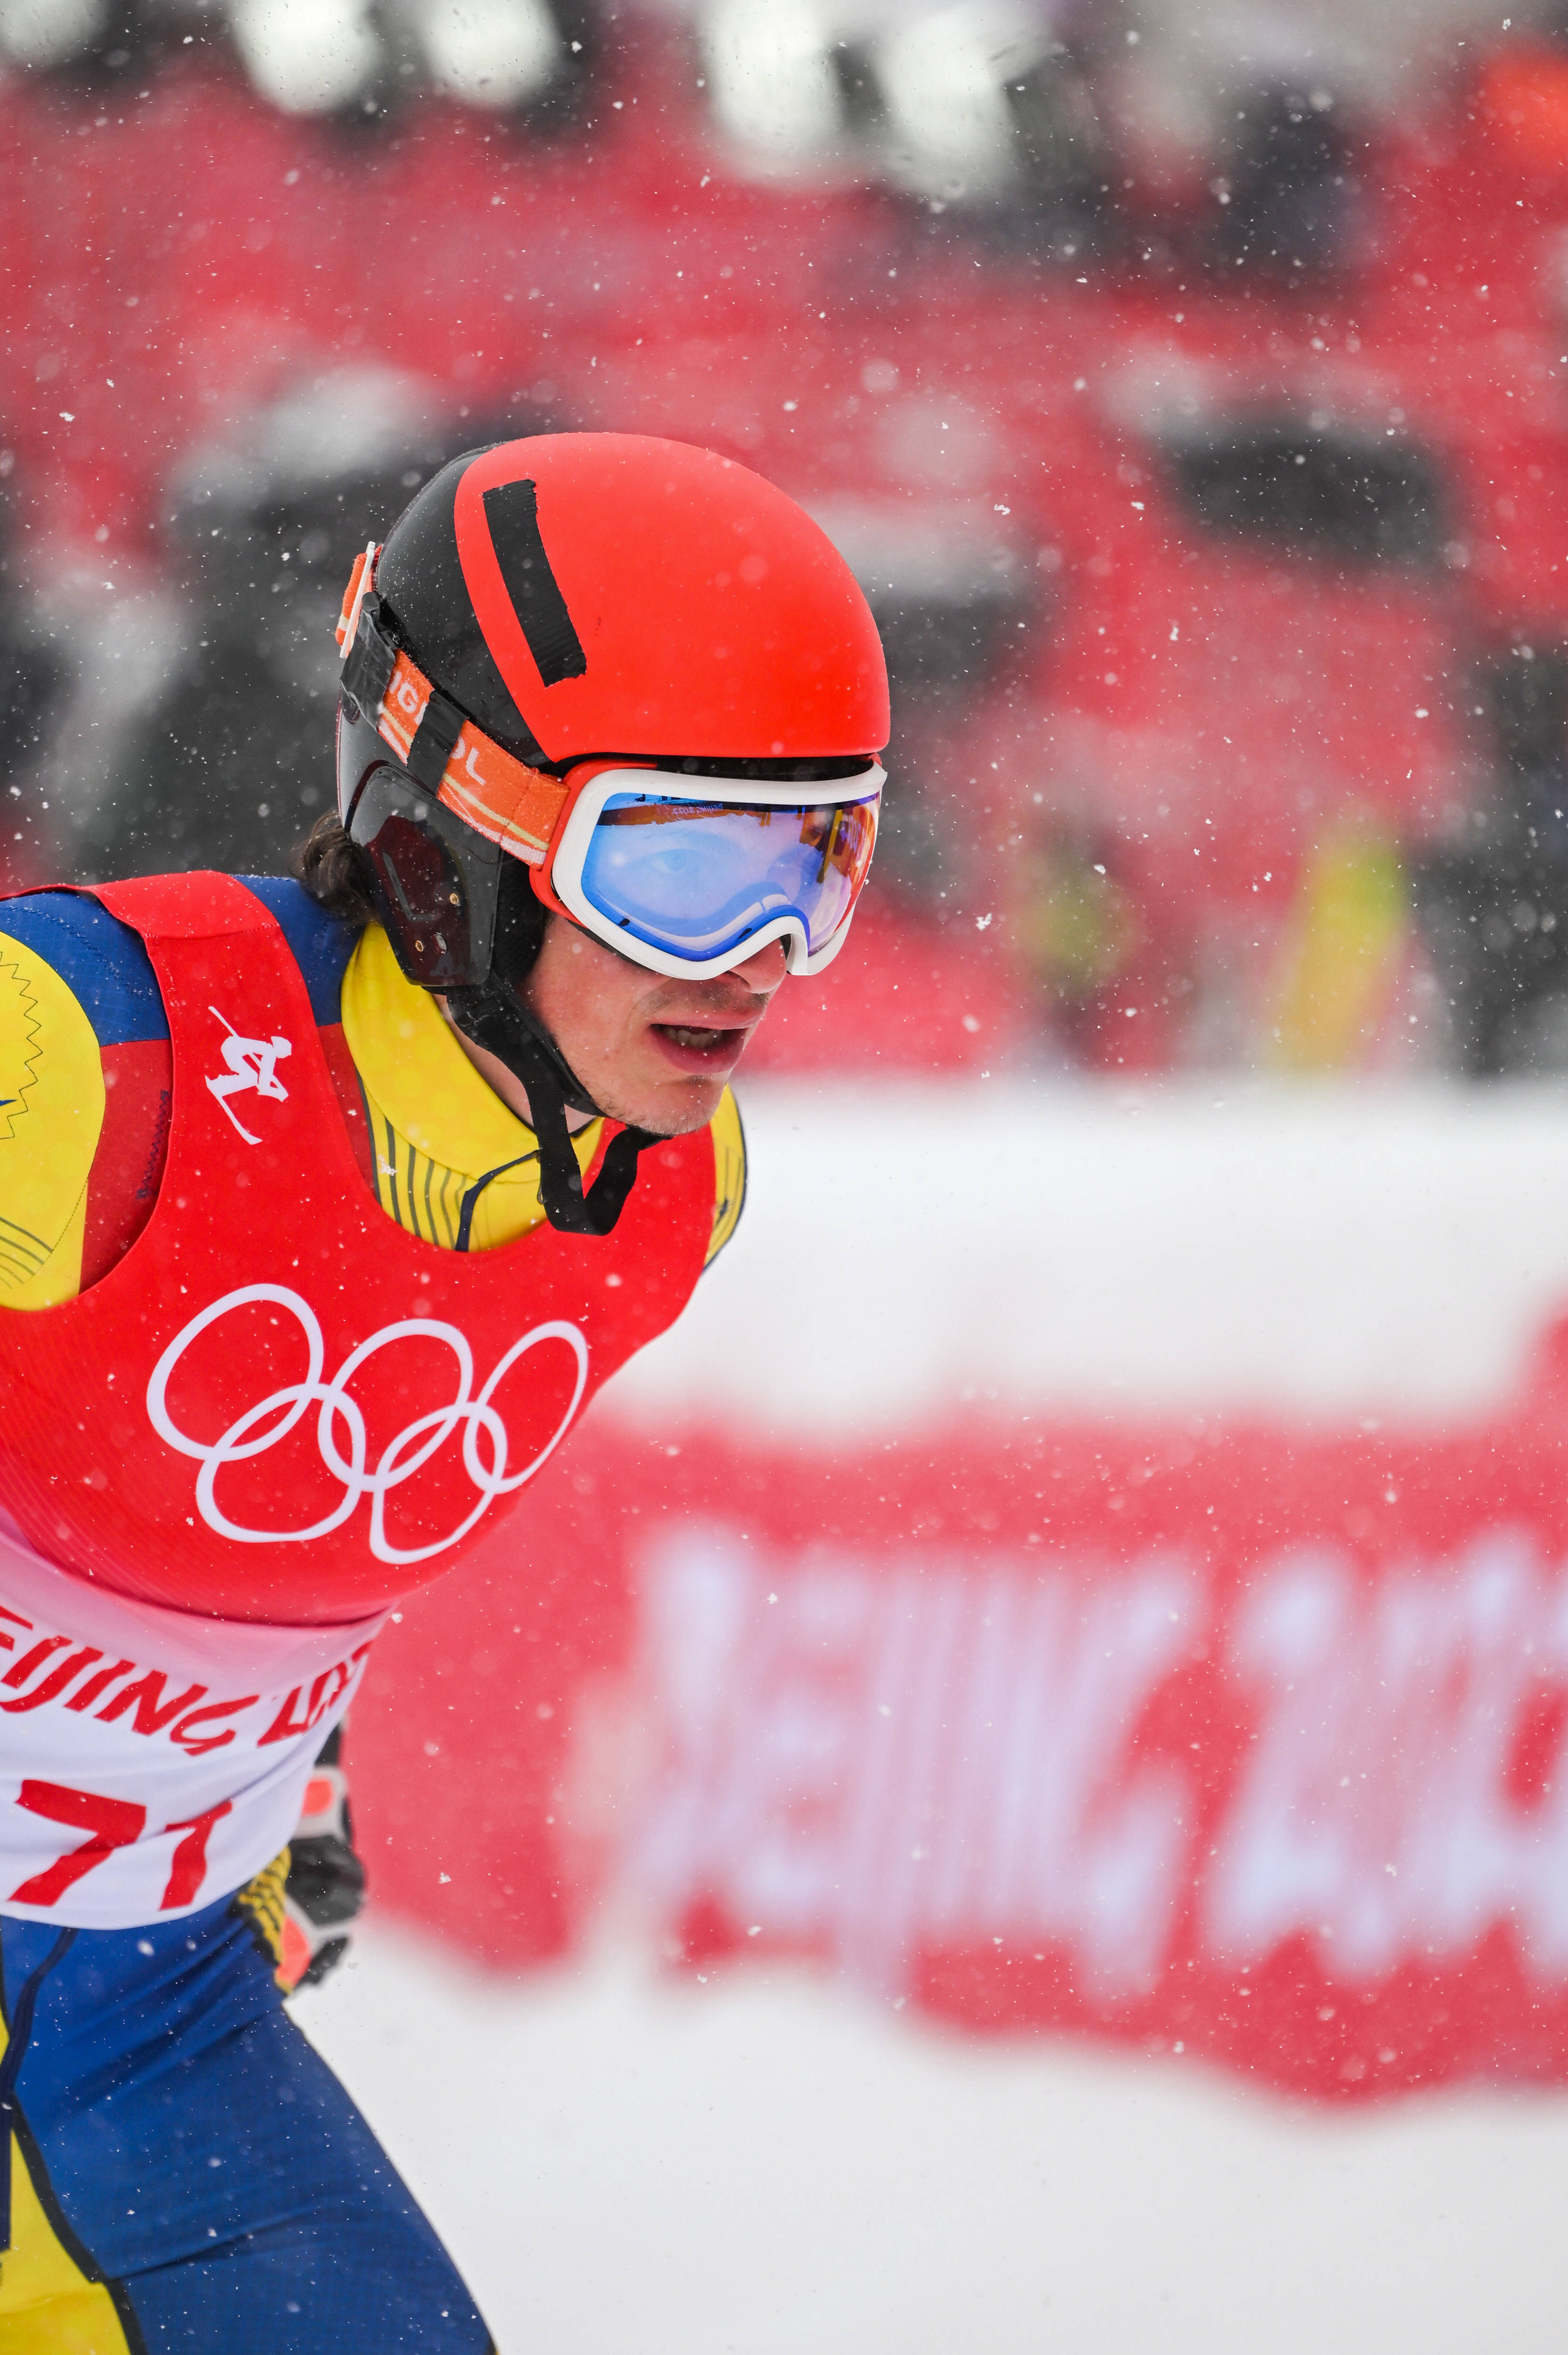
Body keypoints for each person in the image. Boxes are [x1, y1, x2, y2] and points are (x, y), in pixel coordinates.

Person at [0, 431, 887, 2350]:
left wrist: (280, 1773)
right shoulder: (91, 1052)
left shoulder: (669, 1195)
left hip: (146, 2011)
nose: (756, 961)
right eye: (681, 867)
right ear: (448, 835)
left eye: (815, 865)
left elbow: (259, 1504)